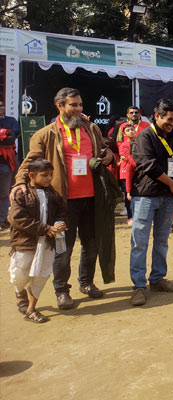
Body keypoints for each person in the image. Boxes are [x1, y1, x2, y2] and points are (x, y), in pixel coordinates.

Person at [15, 87, 114, 310]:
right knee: (63, 248)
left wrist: (109, 156)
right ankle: (61, 290)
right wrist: (20, 183)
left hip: (92, 198)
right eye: (73, 105)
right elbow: (30, 161)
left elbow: (105, 151)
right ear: (60, 106)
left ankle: (87, 283)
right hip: (62, 202)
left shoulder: (91, 129)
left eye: (80, 105)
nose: (78, 109)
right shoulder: (45, 134)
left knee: (91, 244)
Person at [129, 98, 173, 307]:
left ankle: (157, 279)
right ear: (157, 116)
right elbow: (149, 166)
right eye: (168, 119)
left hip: (169, 198)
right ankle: (138, 285)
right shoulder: (144, 136)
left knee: (162, 239)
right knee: (140, 241)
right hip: (145, 196)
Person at [8, 159, 66, 323]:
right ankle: (20, 293)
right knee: (19, 274)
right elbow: (17, 219)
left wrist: (59, 223)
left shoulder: (53, 193)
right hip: (25, 242)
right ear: (32, 175)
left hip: (47, 242)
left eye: (50, 175)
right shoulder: (21, 193)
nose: (49, 178)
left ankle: (31, 309)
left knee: (41, 274)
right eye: (45, 175)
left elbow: (62, 210)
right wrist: (45, 228)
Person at [0, 100, 20, 230]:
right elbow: (8, 137)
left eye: (1, 105)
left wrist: (5, 136)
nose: (0, 107)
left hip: (6, 163)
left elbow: (12, 138)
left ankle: (2, 220)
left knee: (3, 193)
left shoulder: (11, 120)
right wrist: (5, 134)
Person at [118, 124, 137, 225]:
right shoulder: (124, 145)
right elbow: (127, 156)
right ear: (124, 133)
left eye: (132, 129)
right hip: (126, 172)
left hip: (136, 171)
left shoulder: (138, 142)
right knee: (128, 194)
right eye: (128, 130)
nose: (131, 131)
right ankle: (130, 216)